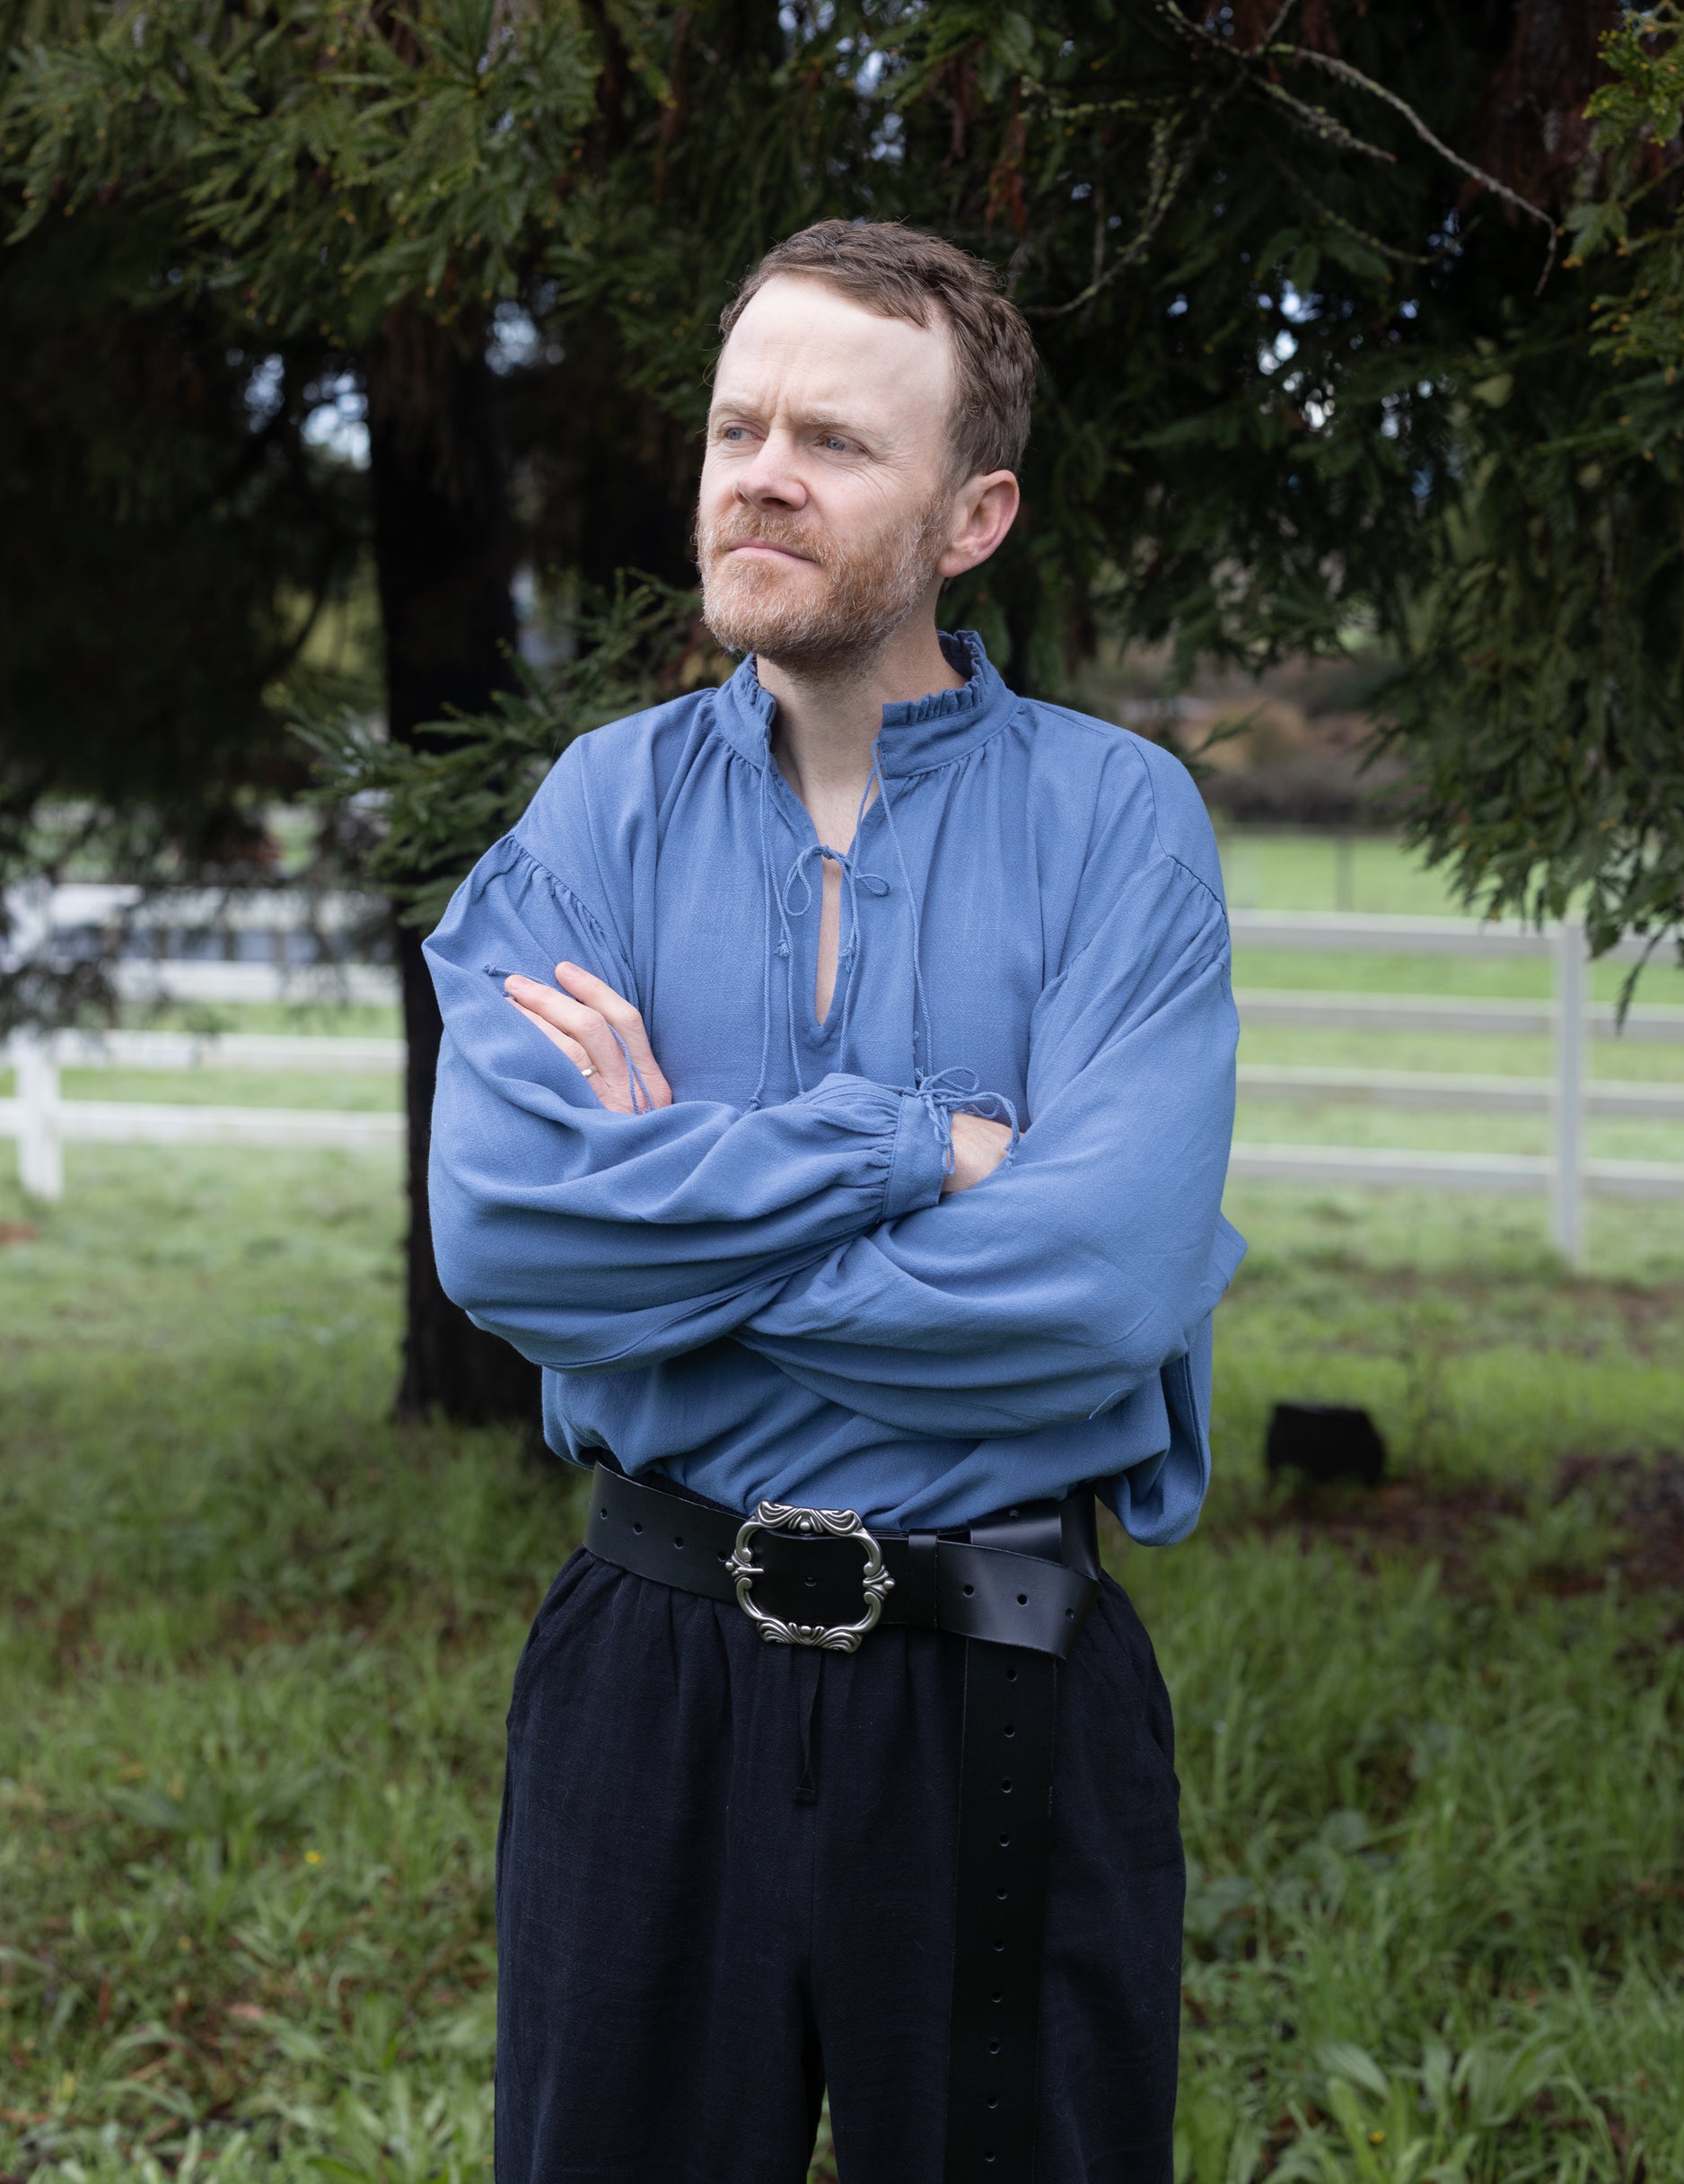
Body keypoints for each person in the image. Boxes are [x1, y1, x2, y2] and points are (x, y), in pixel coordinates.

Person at [425, 219, 1244, 2184]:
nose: (758, 474)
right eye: (735, 426)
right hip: (648, 1677)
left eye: (833, 441)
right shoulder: (595, 812)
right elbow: (507, 1239)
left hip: (1005, 1681)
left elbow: (1096, 1288)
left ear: (974, 514)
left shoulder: (1119, 823)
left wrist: (669, 1248)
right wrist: (917, 1150)